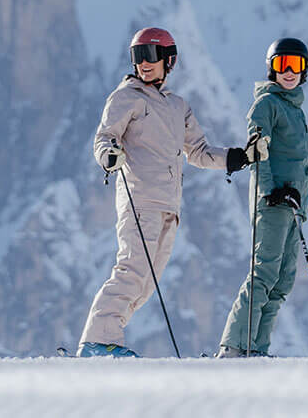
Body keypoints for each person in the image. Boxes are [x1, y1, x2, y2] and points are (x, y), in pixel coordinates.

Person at [77, 26, 249, 357]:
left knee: (146, 281)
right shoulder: (125, 97)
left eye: (151, 56)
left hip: (169, 206)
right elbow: (105, 137)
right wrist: (109, 155)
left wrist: (232, 158)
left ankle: (107, 338)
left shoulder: (176, 107)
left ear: (168, 61)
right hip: (140, 200)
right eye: (137, 56)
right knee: (132, 270)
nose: (143, 64)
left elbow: (197, 151)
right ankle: (96, 342)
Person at [218, 36, 308, 357]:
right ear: (271, 69)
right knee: (263, 273)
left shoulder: (295, 108)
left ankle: (257, 349)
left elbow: (297, 160)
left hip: (293, 204)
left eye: (296, 65)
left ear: (304, 70)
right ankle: (236, 347)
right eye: (282, 65)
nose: (289, 72)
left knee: (283, 281)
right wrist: (271, 191)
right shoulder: (266, 105)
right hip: (273, 202)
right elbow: (257, 152)